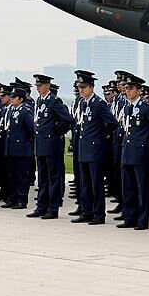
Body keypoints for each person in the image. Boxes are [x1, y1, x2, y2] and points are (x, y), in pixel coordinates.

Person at [116, 74, 149, 231]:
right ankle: (129, 218)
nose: (128, 91)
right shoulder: (126, 107)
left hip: (141, 153)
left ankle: (142, 220)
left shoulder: (146, 107)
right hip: (127, 151)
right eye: (127, 89)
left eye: (131, 89)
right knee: (128, 188)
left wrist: (144, 139)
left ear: (139, 90)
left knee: (142, 188)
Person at [72, 71, 118, 225]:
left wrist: (101, 137)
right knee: (84, 182)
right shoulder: (83, 103)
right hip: (84, 148)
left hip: (94, 149)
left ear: (91, 87)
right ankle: (86, 211)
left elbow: (112, 123)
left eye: (84, 87)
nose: (81, 89)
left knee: (96, 183)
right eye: (79, 87)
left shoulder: (99, 103)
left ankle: (98, 214)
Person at [28, 74, 73, 219]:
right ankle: (41, 206)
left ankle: (53, 208)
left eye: (40, 86)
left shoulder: (54, 101)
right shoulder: (39, 101)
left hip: (51, 144)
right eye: (37, 86)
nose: (38, 89)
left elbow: (67, 120)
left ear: (47, 85)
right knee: (42, 177)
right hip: (40, 144)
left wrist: (55, 132)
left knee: (52, 177)